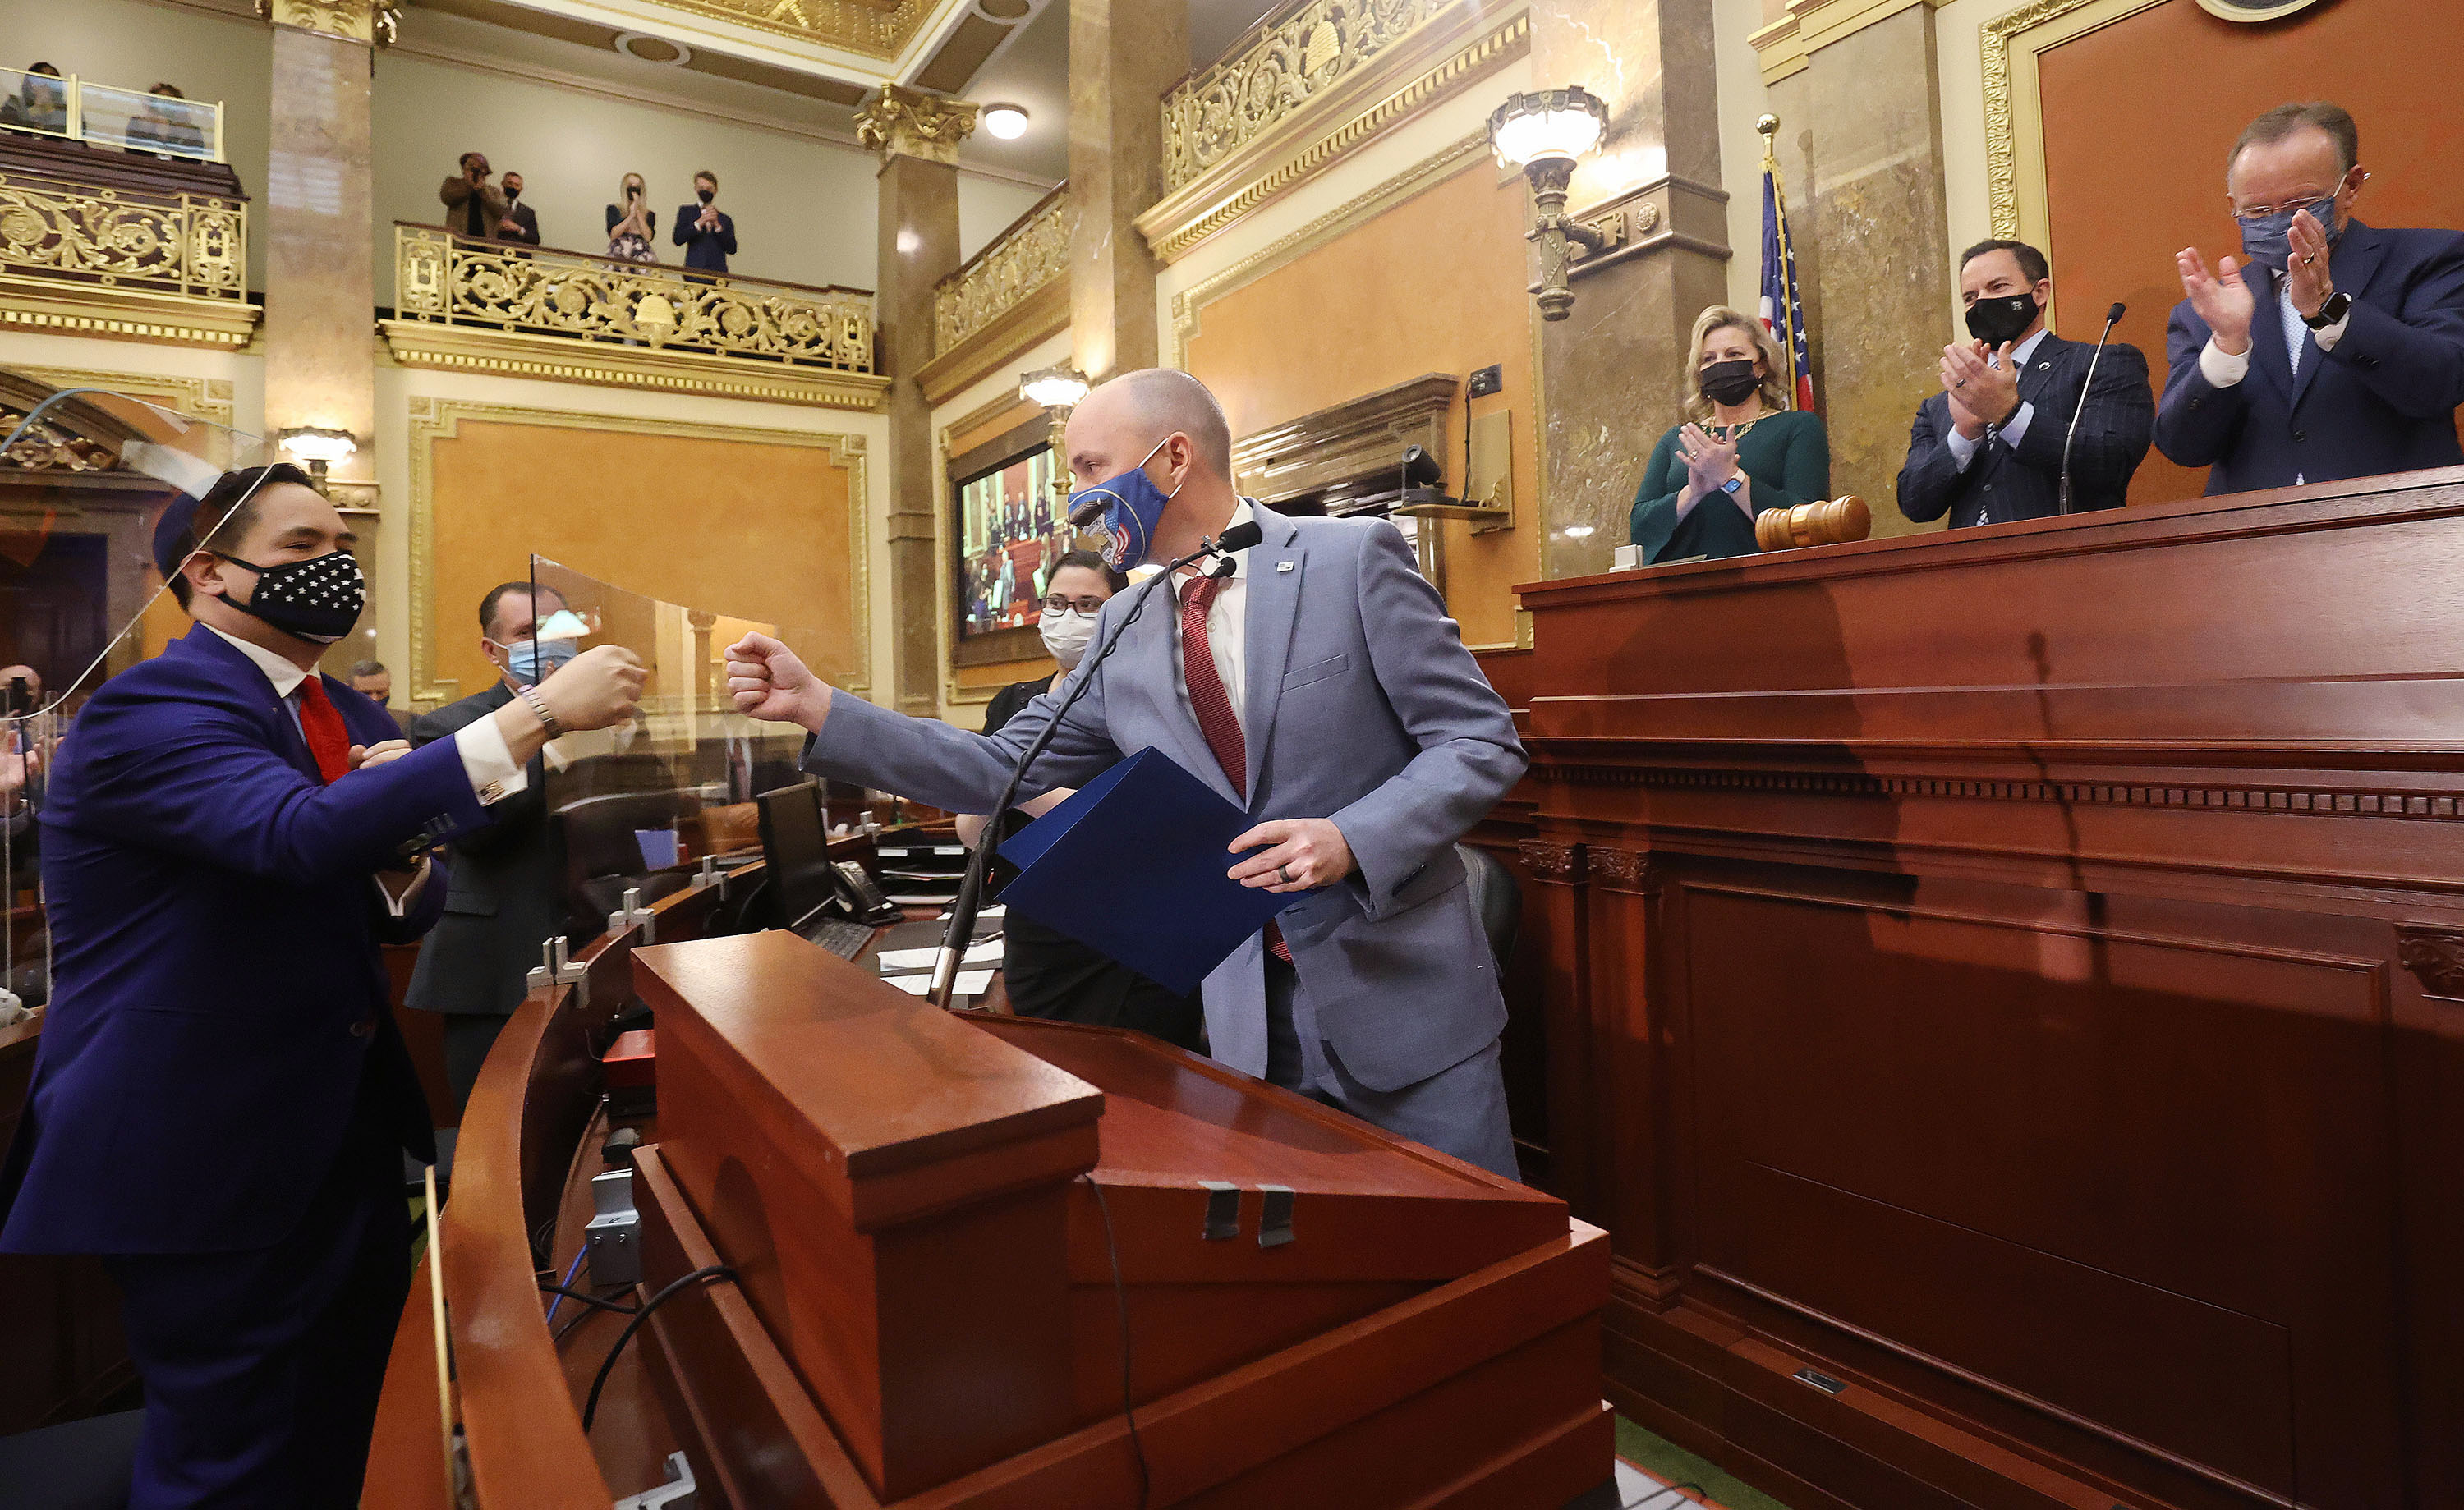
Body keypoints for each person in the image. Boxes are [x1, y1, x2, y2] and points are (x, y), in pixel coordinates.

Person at [0, 462, 645, 1508]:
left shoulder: (328, 705)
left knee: (350, 1424)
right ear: (211, 573)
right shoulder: (153, 707)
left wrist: (394, 859)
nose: (334, 569)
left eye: (341, 547)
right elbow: (292, 836)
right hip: (200, 1142)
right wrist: (537, 715)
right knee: (232, 1459)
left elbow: (406, 889)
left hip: (330, 1131)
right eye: (303, 549)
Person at [729, 369, 1529, 1180]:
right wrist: (823, 707)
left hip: (1408, 1009)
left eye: (1087, 467)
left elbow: (1480, 741)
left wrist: (1352, 836)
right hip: (1245, 1019)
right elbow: (1004, 765)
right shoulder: (1125, 621)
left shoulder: (1351, 559)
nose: (1073, 497)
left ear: (1171, 459)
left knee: (1479, 1270)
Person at [953, 550, 1205, 1052]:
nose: (1069, 617)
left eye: (1089, 605)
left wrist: (1021, 790)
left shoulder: (1148, 699)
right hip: (1037, 931)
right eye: (1057, 602)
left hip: (1129, 932)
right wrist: (1034, 796)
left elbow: (1124, 823)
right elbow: (971, 827)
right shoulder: (1014, 702)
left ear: (1121, 608)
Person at [2157, 102, 2464, 493]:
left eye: (2301, 204)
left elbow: (2440, 384)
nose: (2278, 220)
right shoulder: (2205, 310)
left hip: (2395, 527)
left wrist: (2329, 310)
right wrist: (2227, 348)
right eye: (2257, 211)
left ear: (2350, 186)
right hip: (2251, 539)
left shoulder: (2427, 258)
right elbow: (2182, 446)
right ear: (2233, 206)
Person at [403, 581, 574, 1118]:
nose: (547, 645)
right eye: (527, 633)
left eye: (556, 631)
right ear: (492, 649)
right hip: (495, 967)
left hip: (593, 952)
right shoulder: (449, 727)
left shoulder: (612, 720)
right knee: (497, 1131)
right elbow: (473, 835)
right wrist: (542, 728)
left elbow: (641, 830)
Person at [1898, 240, 2155, 528]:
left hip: (2066, 562)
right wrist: (1964, 433)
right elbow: (1914, 503)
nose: (1982, 302)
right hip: (1968, 568)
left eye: (1998, 287)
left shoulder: (2101, 363)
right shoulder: (1941, 404)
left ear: (2040, 292)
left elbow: (2111, 462)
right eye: (1970, 297)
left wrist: (2009, 414)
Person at [1629, 307, 1830, 564]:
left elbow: (1807, 522)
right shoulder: (1677, 439)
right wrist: (1692, 493)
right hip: (1682, 590)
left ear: (1761, 366)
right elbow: (1640, 528)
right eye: (1709, 358)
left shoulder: (1798, 427)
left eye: (1734, 354)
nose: (1720, 364)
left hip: (1771, 585)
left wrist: (1730, 478)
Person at [673, 170, 735, 273]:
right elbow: (678, 239)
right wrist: (698, 223)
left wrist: (717, 226)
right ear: (696, 189)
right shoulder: (686, 211)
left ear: (715, 190)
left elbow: (732, 249)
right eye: (701, 188)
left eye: (709, 188)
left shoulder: (725, 220)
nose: (705, 191)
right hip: (693, 272)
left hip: (718, 275)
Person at [439, 151, 508, 243]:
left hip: (486, 244)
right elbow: (447, 198)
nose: (475, 173)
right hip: (458, 242)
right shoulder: (453, 183)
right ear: (464, 169)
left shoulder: (493, 191)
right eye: (471, 168)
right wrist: (469, 186)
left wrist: (482, 191)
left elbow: (501, 209)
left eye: (479, 169)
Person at [123, 84, 205, 159]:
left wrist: (174, 131)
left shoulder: (191, 132)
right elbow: (132, 154)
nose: (164, 105)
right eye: (159, 100)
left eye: (170, 101)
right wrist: (149, 126)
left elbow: (193, 161)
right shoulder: (138, 124)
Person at [1, 62, 66, 135]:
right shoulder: (16, 102)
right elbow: (6, 122)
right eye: (45, 79)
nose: (51, 84)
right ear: (32, 84)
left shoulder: (66, 110)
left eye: (54, 80)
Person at [347, 659, 409, 736]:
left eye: (380, 692)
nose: (374, 699)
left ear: (388, 687)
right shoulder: (338, 722)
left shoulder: (407, 722)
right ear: (348, 689)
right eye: (366, 693)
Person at [606, 173, 657, 263]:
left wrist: (637, 211)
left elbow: (648, 237)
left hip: (641, 255)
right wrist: (630, 216)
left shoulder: (649, 214)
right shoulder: (614, 210)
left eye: (637, 187)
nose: (634, 190)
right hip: (619, 253)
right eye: (631, 186)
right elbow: (613, 234)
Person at [498, 170, 541, 246]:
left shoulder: (528, 212)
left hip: (519, 255)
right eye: (510, 183)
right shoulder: (491, 205)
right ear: (502, 184)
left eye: (517, 185)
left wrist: (518, 229)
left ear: (521, 188)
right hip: (493, 254)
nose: (513, 187)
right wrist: (496, 227)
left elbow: (535, 240)